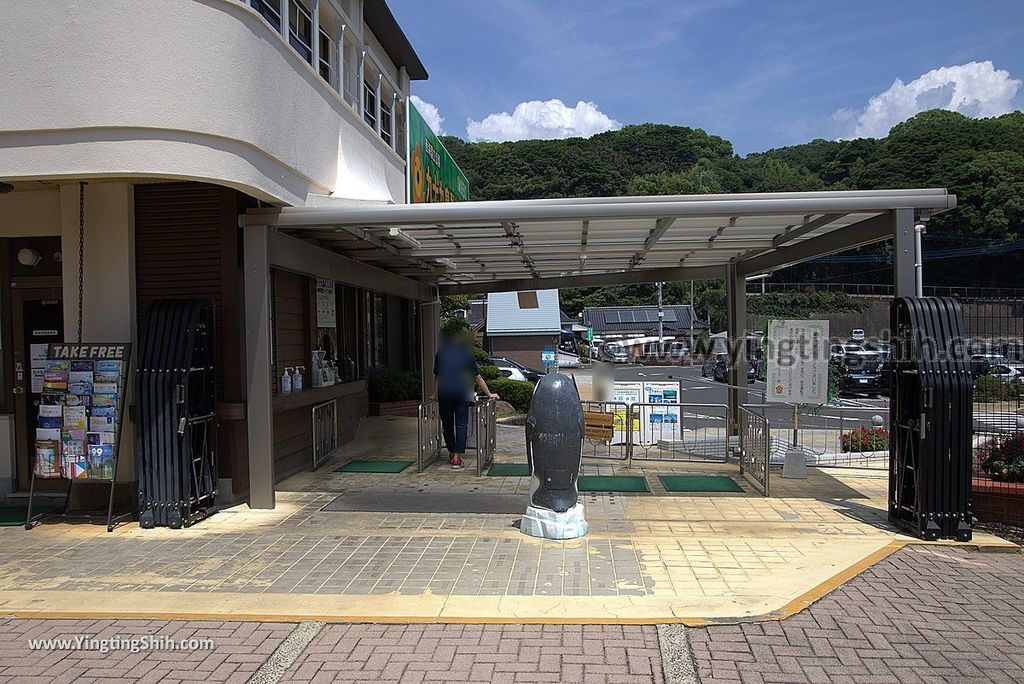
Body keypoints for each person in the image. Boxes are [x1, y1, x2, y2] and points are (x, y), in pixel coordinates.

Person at [430, 331, 499, 469]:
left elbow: (438, 377)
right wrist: (489, 394)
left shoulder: (441, 353)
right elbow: (477, 377)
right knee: (461, 423)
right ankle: (457, 457)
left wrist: (435, 394)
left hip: (444, 392)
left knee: (447, 423)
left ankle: (451, 451)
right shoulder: (466, 354)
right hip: (461, 391)